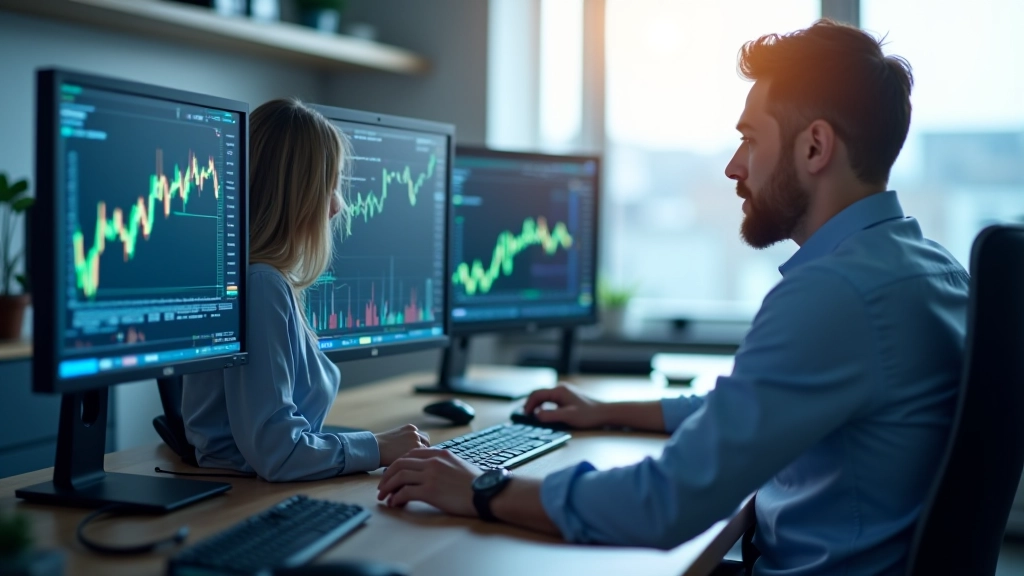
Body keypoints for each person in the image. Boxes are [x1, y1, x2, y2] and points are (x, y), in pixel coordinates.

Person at [375, 19, 970, 575]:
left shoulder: (835, 295)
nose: (735, 168)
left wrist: (481, 488)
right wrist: (609, 412)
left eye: (750, 140)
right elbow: (751, 407)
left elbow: (664, 504)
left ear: (815, 148)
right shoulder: (930, 270)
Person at [183, 99, 428, 482]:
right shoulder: (261, 287)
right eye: (329, 188)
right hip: (247, 494)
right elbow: (279, 453)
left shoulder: (263, 281)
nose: (336, 206)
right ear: (296, 197)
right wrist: (378, 447)